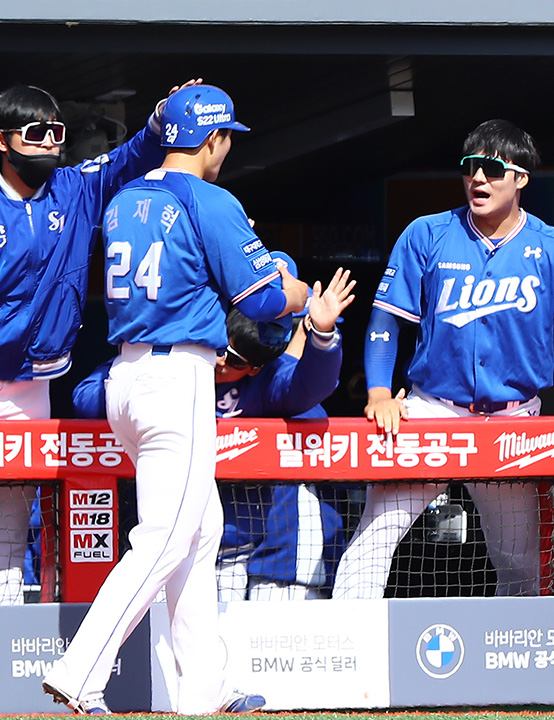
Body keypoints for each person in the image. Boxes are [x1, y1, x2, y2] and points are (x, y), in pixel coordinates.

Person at [41, 84, 306, 715]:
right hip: (177, 376)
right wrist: (295, 293)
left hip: (127, 374)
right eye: (226, 138)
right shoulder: (208, 198)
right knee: (165, 536)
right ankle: (80, 671)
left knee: (200, 529)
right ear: (212, 138)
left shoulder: (125, 197)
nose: (227, 148)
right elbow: (263, 300)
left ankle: (205, 687)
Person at [332, 119, 554, 601]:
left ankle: (515, 650)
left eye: (492, 169)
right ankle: (349, 642)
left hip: (512, 421)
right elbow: (386, 320)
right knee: (376, 538)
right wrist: (378, 392)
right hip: (433, 409)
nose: (478, 178)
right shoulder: (428, 233)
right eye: (470, 166)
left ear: (521, 178)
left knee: (521, 562)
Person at [0, 80, 191, 606]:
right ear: (3, 139)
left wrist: (161, 118)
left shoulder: (72, 189)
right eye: (34, 132)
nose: (48, 142)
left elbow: (129, 159)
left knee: (10, 530)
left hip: (32, 384)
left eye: (55, 132)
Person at [71, 254, 356, 601]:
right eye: (218, 345)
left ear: (255, 366)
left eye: (233, 359)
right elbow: (85, 399)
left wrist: (322, 335)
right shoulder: (175, 357)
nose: (220, 360)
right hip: (168, 540)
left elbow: (308, 389)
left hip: (237, 545)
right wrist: (151, 392)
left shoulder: (269, 377)